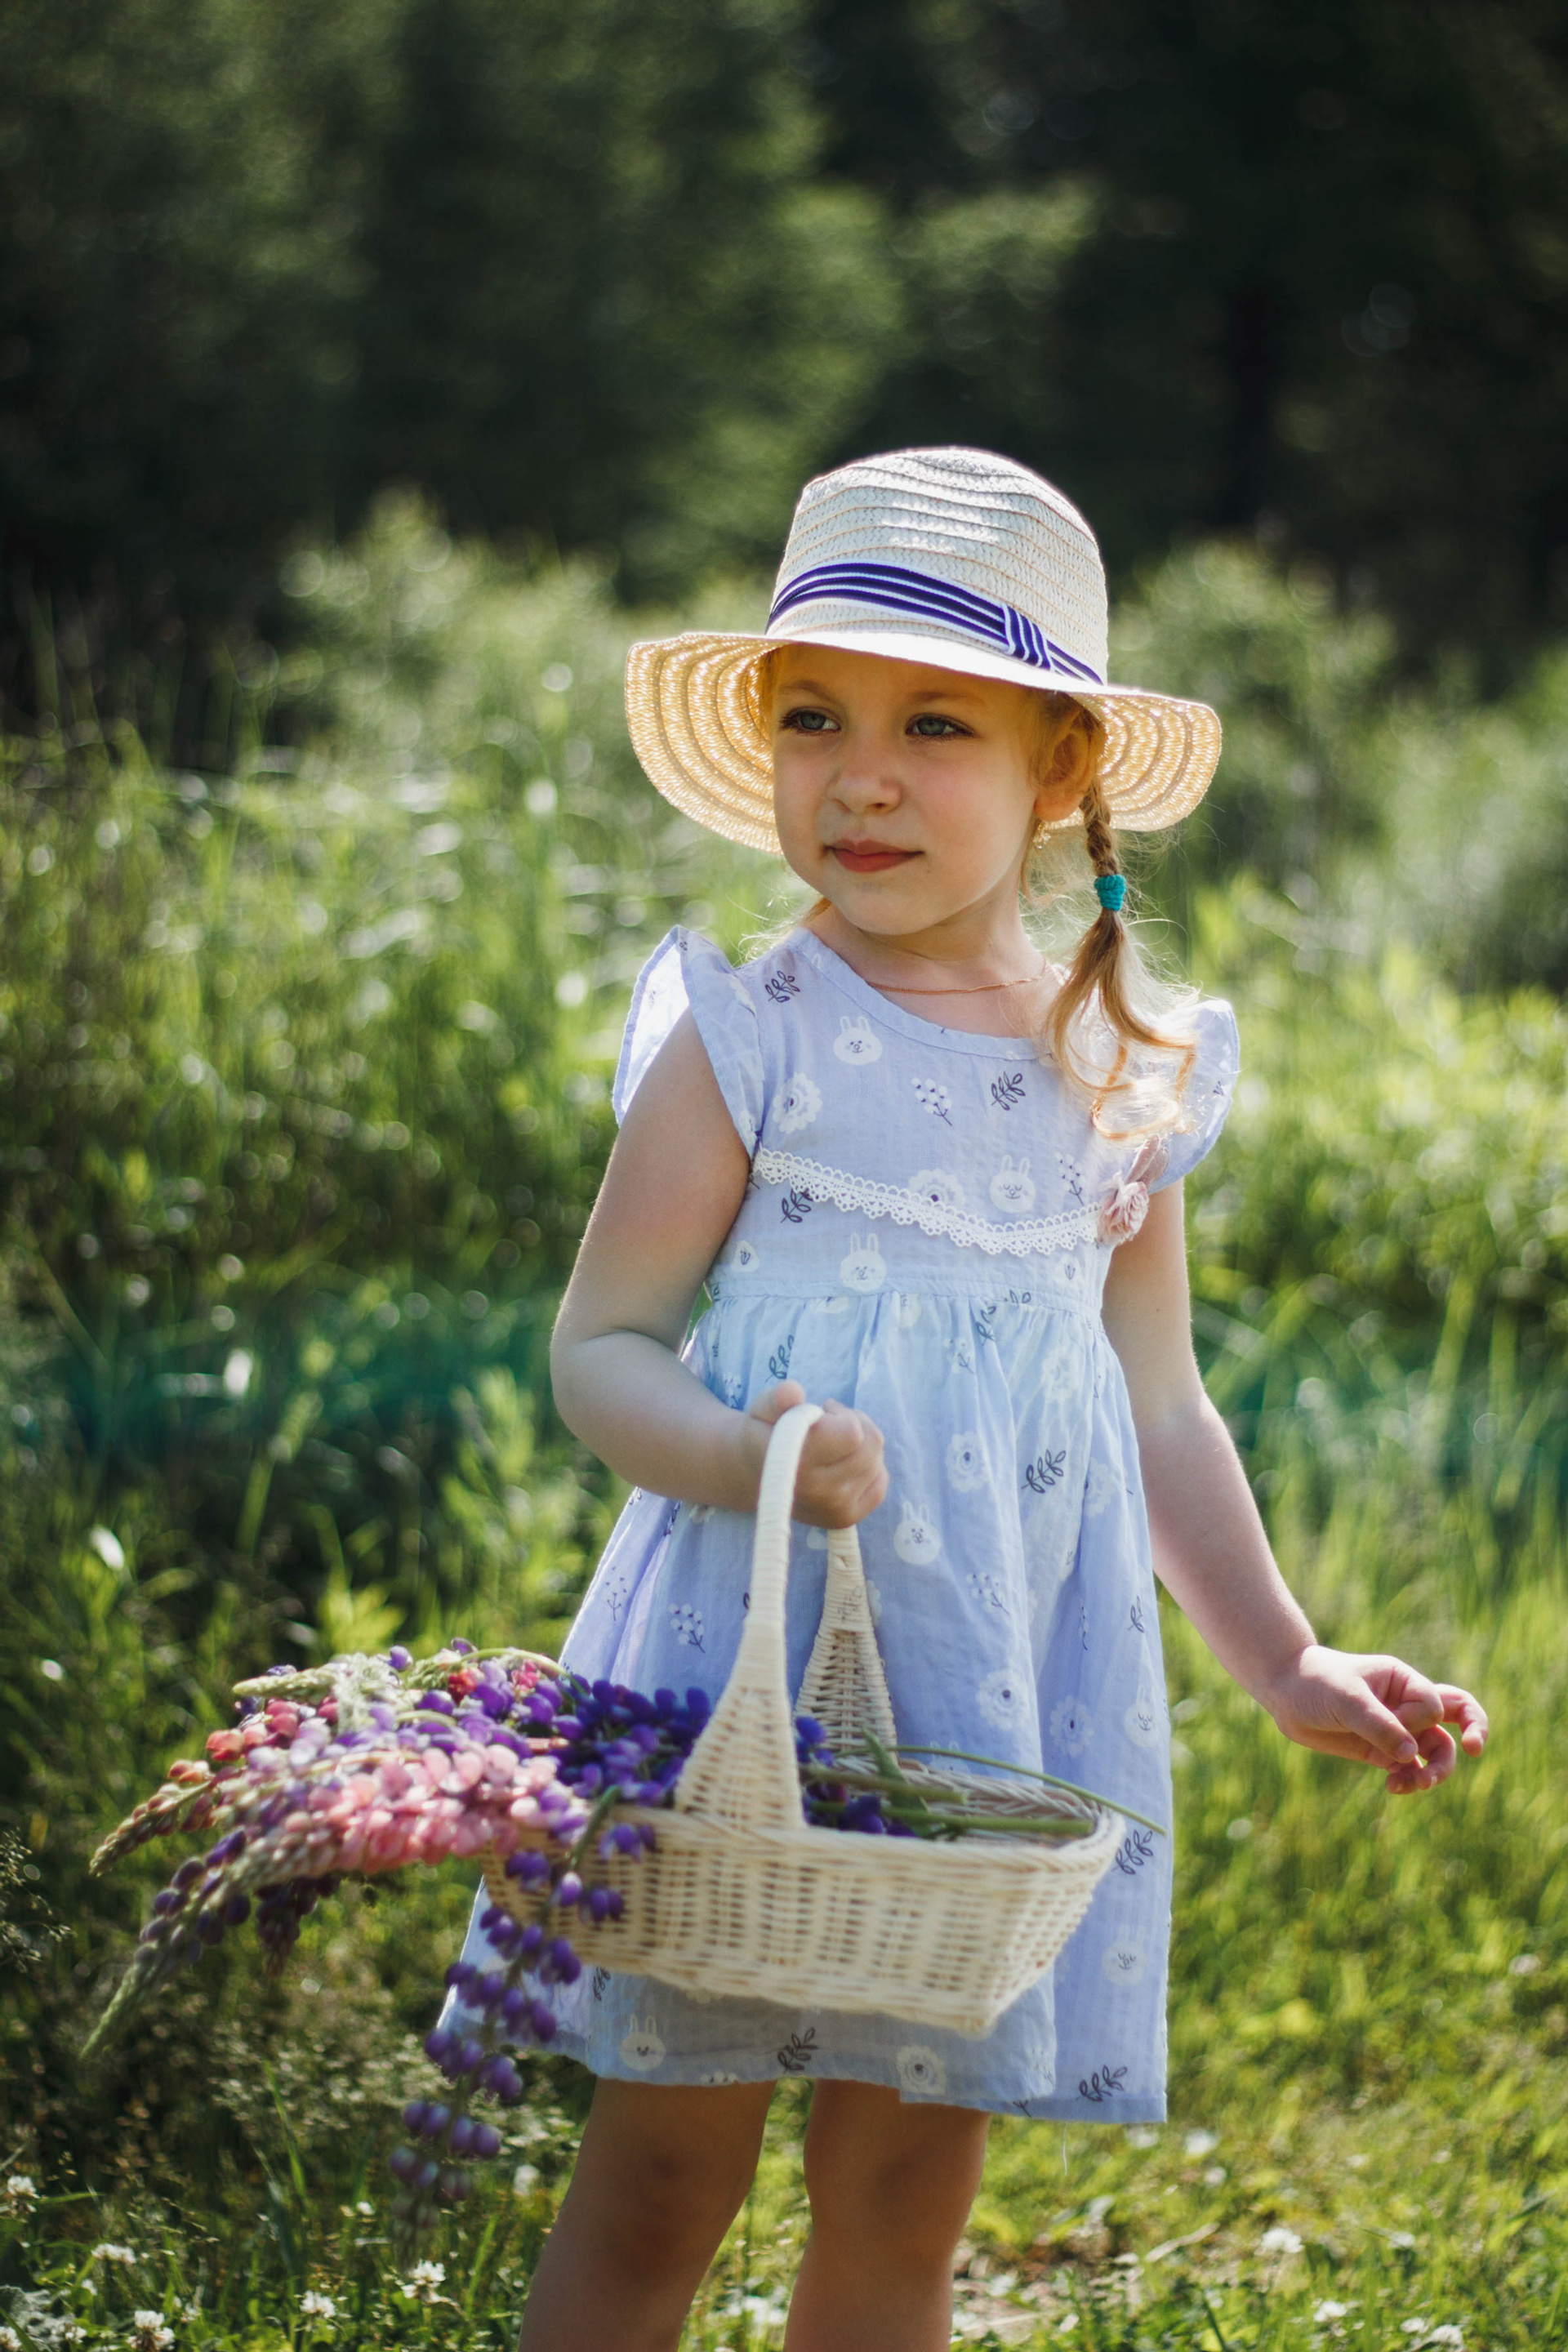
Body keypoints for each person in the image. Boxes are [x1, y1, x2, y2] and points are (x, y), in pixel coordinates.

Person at [448, 448, 1489, 2352]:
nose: (861, 774)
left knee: (908, 2185)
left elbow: (1159, 1407)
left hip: (992, 1701)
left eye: (936, 723)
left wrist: (1285, 1663)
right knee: (664, 2167)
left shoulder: (1125, 1069)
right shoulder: (747, 1033)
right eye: (816, 717)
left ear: (1063, 770)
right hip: (742, 1675)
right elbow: (599, 1347)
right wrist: (738, 1448)